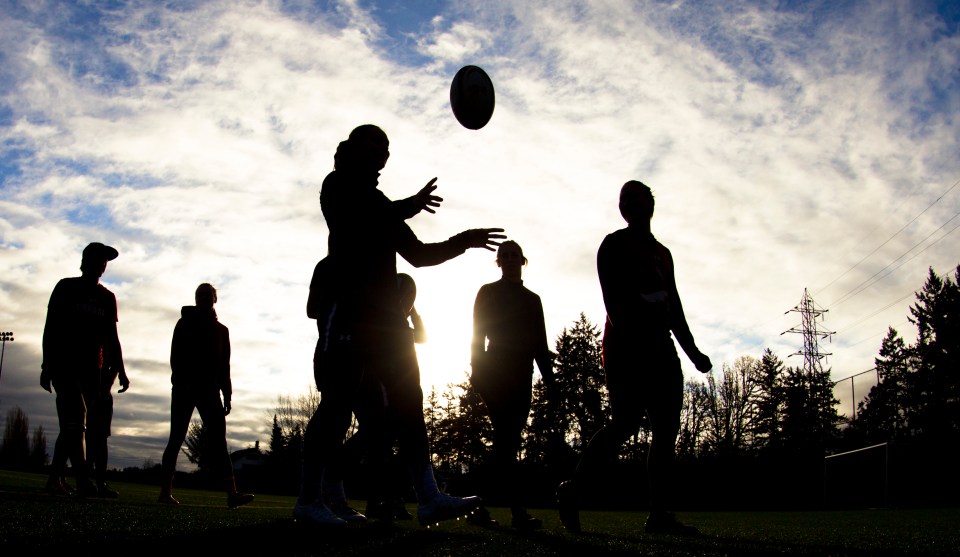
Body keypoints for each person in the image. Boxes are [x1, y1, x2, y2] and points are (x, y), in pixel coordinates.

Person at [295, 123, 505, 527]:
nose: (380, 151)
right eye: (372, 143)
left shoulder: (383, 205)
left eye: (385, 146)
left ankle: (428, 496)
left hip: (388, 323)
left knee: (409, 402)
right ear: (352, 149)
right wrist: (408, 205)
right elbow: (363, 215)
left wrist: (463, 240)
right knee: (337, 404)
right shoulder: (337, 187)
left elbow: (420, 255)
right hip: (350, 312)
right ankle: (308, 500)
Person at [556, 180, 712, 536]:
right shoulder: (613, 245)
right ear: (622, 209)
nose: (631, 203)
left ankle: (658, 515)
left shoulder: (663, 254)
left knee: (666, 429)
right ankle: (573, 491)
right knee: (624, 424)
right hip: (627, 346)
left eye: (637, 196)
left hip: (662, 347)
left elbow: (675, 306)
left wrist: (692, 351)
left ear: (651, 204)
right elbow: (614, 302)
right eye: (625, 199)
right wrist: (638, 326)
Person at [468, 240, 554, 530]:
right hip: (495, 372)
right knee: (506, 440)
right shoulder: (488, 292)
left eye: (513, 255)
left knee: (507, 444)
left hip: (522, 374)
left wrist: (551, 381)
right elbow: (477, 334)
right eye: (503, 255)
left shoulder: (533, 299)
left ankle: (478, 505)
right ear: (498, 262)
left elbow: (540, 343)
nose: (508, 259)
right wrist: (477, 372)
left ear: (522, 260)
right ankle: (515, 511)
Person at [41, 242, 130, 498]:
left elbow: (112, 337)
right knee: (76, 416)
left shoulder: (107, 297)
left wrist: (121, 370)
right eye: (98, 259)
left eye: (105, 261)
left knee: (73, 426)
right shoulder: (65, 287)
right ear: (86, 261)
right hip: (64, 364)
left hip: (93, 370)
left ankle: (54, 478)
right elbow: (51, 328)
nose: (102, 265)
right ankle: (82, 480)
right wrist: (47, 365)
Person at [158, 283, 254, 509]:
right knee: (176, 438)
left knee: (219, 442)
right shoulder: (184, 323)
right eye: (199, 295)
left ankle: (232, 493)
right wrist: (181, 383)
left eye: (207, 295)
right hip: (184, 389)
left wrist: (227, 393)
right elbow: (176, 357)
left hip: (210, 391)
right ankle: (165, 492)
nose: (203, 298)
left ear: (214, 299)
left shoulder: (222, 331)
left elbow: (224, 365)